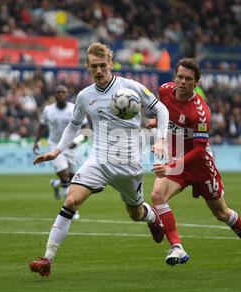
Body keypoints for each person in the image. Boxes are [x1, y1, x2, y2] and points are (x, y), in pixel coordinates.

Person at [28, 42, 169, 277]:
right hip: (98, 161)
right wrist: (57, 150)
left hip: (129, 165)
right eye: (94, 66)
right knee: (71, 201)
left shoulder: (130, 87)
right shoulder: (85, 96)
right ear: (88, 68)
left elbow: (162, 110)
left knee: (135, 214)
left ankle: (152, 217)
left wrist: (162, 139)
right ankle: (47, 259)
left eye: (103, 65)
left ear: (111, 64)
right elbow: (74, 126)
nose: (99, 70)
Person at [147, 58, 241, 270]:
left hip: (200, 165)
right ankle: (177, 247)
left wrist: (170, 167)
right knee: (157, 196)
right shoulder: (164, 91)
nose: (182, 82)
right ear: (175, 76)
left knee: (222, 213)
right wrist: (157, 122)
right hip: (177, 159)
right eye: (180, 77)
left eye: (188, 79)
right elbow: (168, 115)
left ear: (196, 82)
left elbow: (200, 150)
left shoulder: (200, 112)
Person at [33, 85, 88, 208]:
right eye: (59, 92)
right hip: (54, 146)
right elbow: (42, 126)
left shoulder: (74, 108)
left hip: (71, 146)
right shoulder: (48, 110)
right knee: (64, 174)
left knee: (71, 178)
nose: (61, 94)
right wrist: (36, 142)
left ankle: (57, 184)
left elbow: (85, 128)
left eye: (64, 92)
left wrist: (77, 141)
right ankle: (70, 208)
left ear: (67, 94)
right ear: (55, 95)